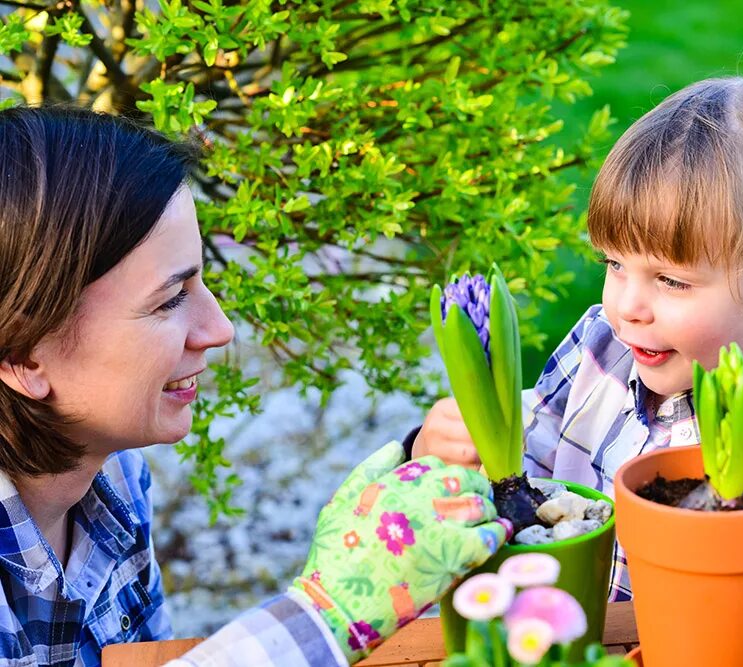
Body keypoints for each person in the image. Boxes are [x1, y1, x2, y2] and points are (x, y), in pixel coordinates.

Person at [0, 105, 509, 667]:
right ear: (24, 355)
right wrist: (328, 611)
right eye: (170, 299)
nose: (220, 330)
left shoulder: (111, 475)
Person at [413, 76, 743, 600]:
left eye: (671, 280)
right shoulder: (599, 350)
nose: (627, 308)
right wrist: (440, 452)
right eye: (614, 263)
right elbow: (520, 469)